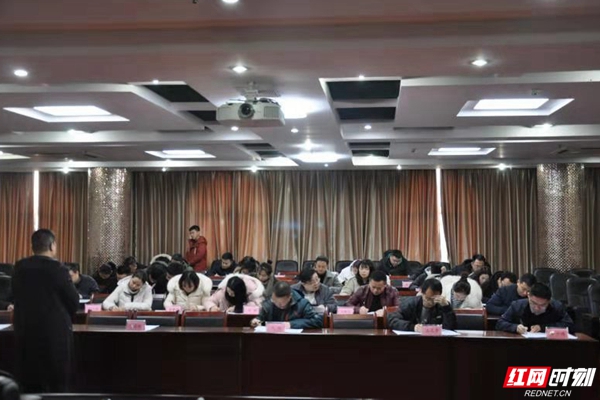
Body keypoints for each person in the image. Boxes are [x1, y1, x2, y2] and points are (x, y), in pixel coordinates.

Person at [12, 229, 79, 392]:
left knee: (29, 381)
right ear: (52, 245)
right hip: (54, 334)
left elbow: (15, 295)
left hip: (25, 331)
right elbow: (73, 302)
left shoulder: (19, 267)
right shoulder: (58, 268)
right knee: (57, 382)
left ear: (32, 246)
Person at [496, 283, 574, 334]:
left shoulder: (557, 307)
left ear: (549, 301)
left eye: (542, 305)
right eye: (534, 303)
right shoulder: (517, 305)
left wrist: (543, 328)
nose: (537, 308)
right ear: (528, 296)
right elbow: (500, 323)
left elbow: (569, 325)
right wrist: (515, 327)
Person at [387, 278, 457, 332]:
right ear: (421, 293)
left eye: (434, 299)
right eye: (428, 299)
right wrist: (413, 327)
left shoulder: (443, 305)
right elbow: (392, 320)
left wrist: (446, 308)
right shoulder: (410, 303)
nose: (431, 302)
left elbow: (450, 327)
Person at [250, 281, 322, 329]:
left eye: (280, 303)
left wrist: (291, 324)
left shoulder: (302, 304)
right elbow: (260, 317)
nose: (277, 305)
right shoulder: (269, 303)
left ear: (289, 297)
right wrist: (256, 321)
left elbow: (317, 321)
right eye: (274, 302)